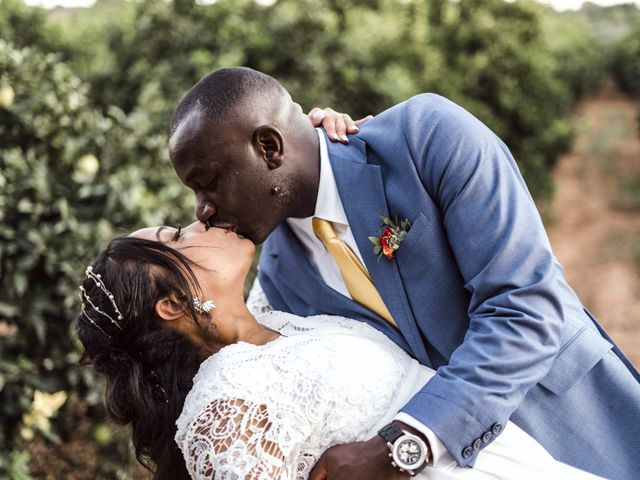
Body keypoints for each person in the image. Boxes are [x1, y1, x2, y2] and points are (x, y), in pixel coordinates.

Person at [167, 67, 640, 480]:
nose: (203, 210)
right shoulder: (278, 276)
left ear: (269, 147)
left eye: (208, 183)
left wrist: (399, 448)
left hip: (570, 418)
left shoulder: (425, 137)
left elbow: (526, 307)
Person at [76, 221, 603, 480]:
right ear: (172, 305)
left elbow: (303, 210)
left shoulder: (275, 319)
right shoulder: (226, 409)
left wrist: (320, 136)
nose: (200, 220)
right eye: (177, 237)